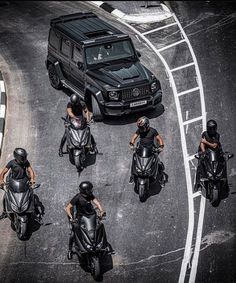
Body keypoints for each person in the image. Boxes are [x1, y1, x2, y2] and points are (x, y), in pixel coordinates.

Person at [65, 181, 106, 260]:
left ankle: (104, 245)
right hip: (81, 217)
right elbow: (68, 208)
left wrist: (101, 211)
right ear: (85, 190)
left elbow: (96, 202)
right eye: (90, 189)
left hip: (92, 215)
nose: (91, 191)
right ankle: (69, 250)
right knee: (73, 233)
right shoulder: (77, 197)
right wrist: (71, 218)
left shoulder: (90, 195)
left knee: (99, 227)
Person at [0, 148, 36, 219]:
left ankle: (34, 210)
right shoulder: (11, 163)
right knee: (6, 196)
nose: (24, 158)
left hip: (24, 181)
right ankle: (4, 212)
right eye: (22, 157)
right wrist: (1, 180)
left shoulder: (26, 162)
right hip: (13, 181)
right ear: (17, 157)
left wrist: (32, 179)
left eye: (25, 157)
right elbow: (3, 172)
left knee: (31, 193)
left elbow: (30, 170)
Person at [129, 116, 165, 186]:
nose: (141, 129)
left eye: (142, 128)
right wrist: (131, 144)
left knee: (158, 163)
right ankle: (132, 175)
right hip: (141, 148)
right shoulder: (139, 130)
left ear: (147, 125)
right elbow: (134, 136)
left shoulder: (153, 131)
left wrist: (161, 146)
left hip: (151, 149)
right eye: (140, 128)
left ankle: (161, 178)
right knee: (134, 159)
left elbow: (159, 139)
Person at [194, 119, 224, 191]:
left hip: (215, 151)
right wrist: (203, 152)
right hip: (205, 151)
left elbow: (214, 146)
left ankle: (224, 182)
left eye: (214, 128)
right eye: (211, 128)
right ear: (208, 128)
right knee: (200, 166)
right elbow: (202, 143)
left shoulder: (217, 135)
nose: (212, 130)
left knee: (223, 162)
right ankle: (197, 183)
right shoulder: (205, 134)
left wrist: (205, 142)